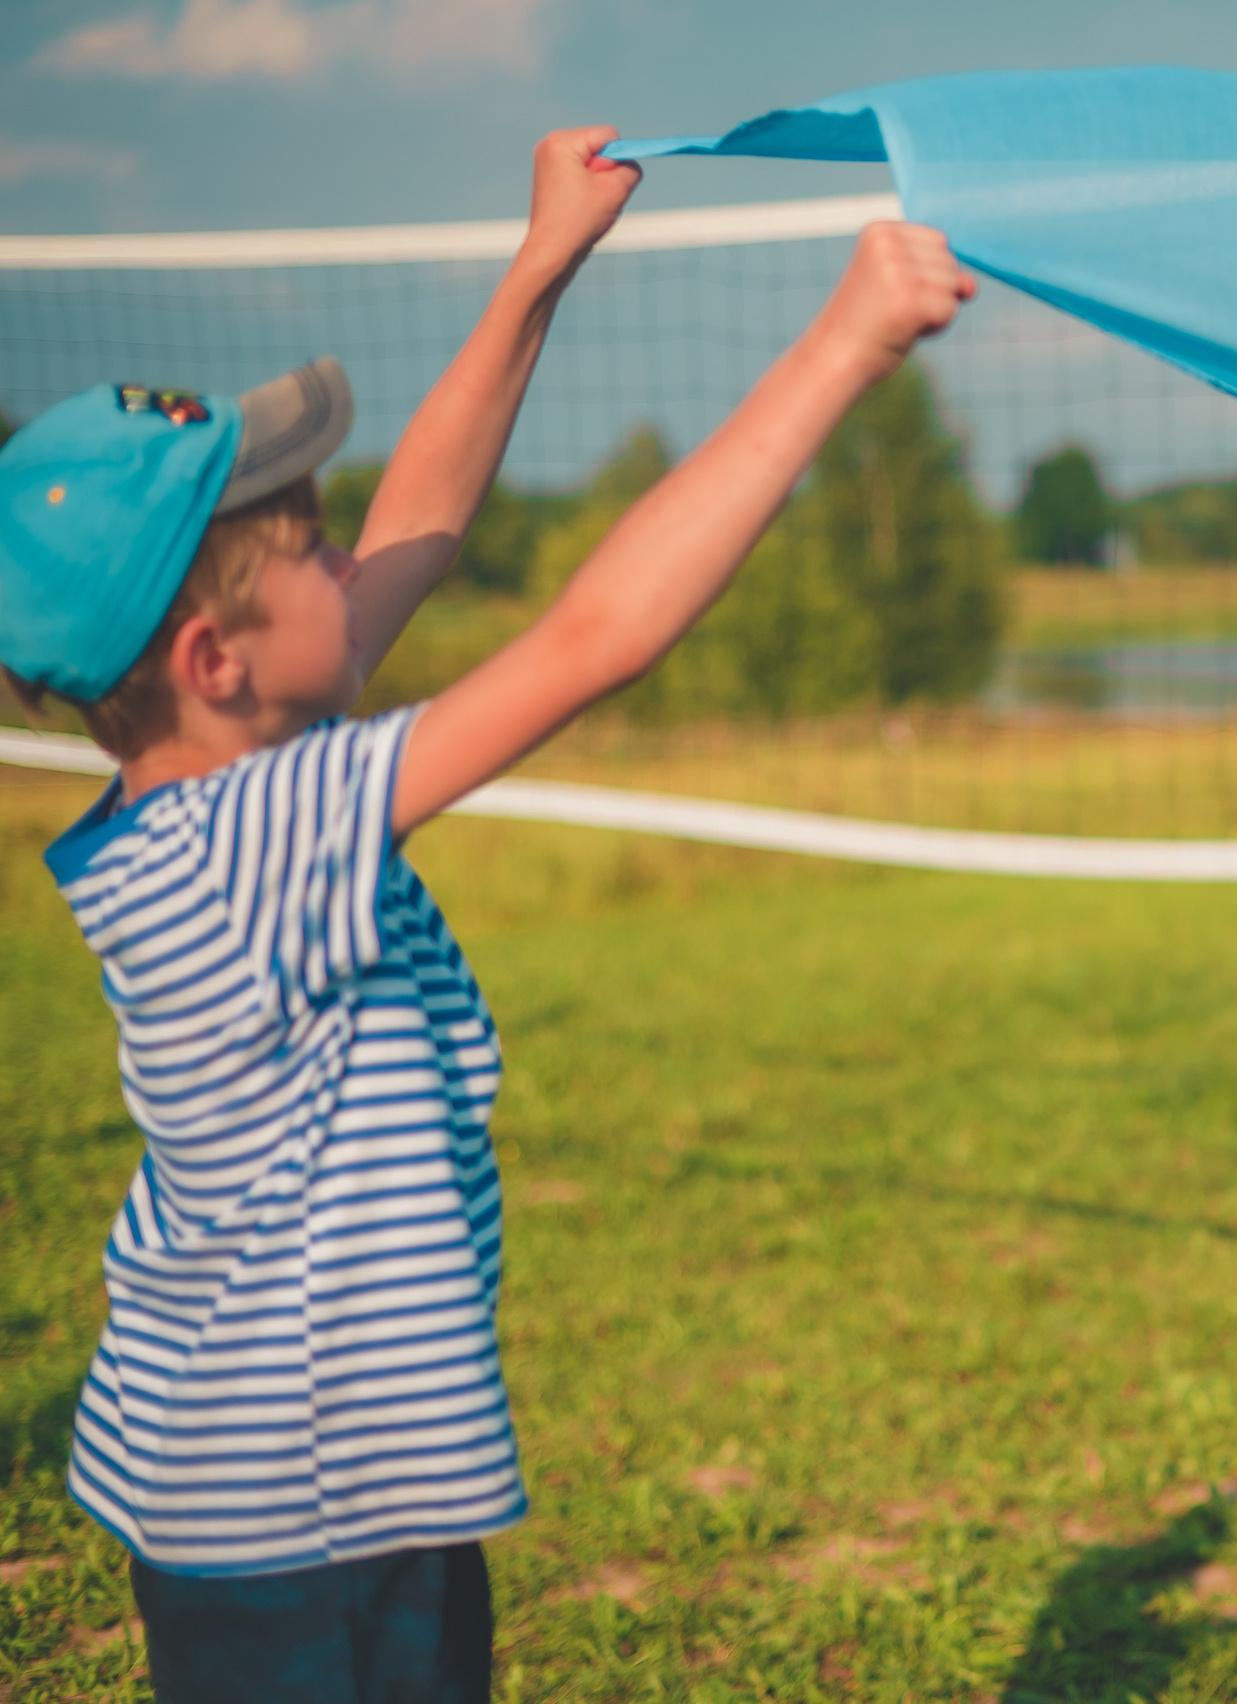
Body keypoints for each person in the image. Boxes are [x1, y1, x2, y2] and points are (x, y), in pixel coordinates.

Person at [0, 129, 972, 1704]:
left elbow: (420, 526)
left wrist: (541, 266)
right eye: (306, 550)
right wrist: (842, 348)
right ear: (214, 663)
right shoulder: (258, 837)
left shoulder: (196, 797)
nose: (350, 556)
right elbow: (598, 636)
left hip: (278, 1475)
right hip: (302, 1512)